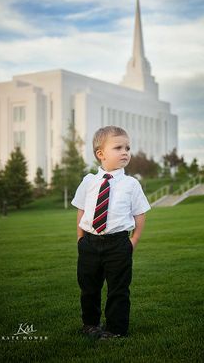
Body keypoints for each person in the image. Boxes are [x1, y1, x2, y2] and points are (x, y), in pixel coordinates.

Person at [71, 126, 151, 340]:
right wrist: (80, 238)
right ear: (101, 153)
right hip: (89, 242)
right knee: (89, 287)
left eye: (128, 147)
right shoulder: (89, 181)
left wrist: (133, 240)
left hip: (118, 244)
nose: (125, 152)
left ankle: (116, 329)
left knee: (118, 288)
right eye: (118, 147)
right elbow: (81, 209)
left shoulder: (131, 184)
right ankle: (90, 324)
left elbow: (140, 214)